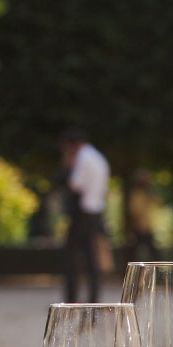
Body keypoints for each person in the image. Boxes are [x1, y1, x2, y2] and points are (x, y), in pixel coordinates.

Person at [60, 128, 109, 303]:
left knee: (72, 257)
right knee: (91, 258)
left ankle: (71, 298)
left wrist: (68, 165)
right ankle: (93, 297)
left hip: (83, 213)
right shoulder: (98, 157)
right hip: (95, 211)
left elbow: (75, 184)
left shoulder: (82, 157)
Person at [125, 169, 161, 262]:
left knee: (147, 250)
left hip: (146, 227)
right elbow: (135, 211)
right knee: (150, 251)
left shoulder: (146, 194)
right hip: (140, 228)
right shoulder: (137, 194)